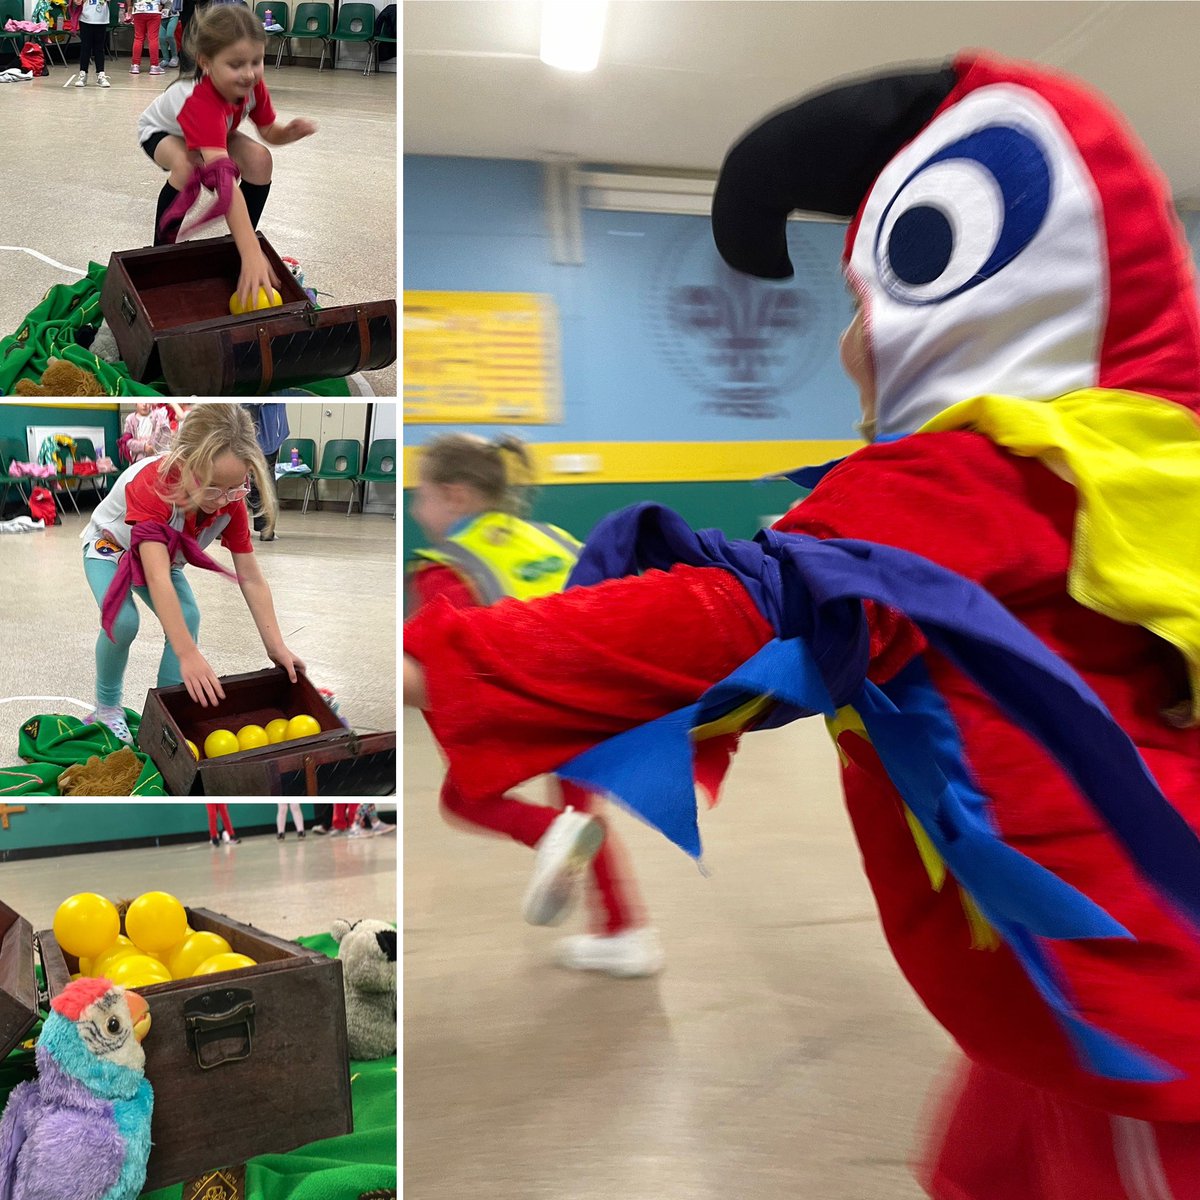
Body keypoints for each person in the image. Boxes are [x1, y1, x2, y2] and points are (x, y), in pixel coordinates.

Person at [404, 53, 1200, 1193]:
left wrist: (449, 663)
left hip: (1134, 995)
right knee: (981, 1160)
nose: (847, 343)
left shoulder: (974, 479)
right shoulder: (1136, 452)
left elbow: (751, 616)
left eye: (890, 294)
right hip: (1050, 963)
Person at [409, 434, 661, 977]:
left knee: (465, 798)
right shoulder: (551, 538)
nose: (416, 507)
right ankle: (625, 933)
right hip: (606, 700)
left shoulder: (446, 566)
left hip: (535, 708)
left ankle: (548, 833)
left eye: (420, 494)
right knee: (580, 816)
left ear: (454, 496)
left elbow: (438, 662)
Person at [79, 402, 306, 746]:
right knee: (123, 622)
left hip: (162, 558)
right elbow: (156, 577)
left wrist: (277, 647)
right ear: (184, 463)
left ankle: (167, 720)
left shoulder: (229, 499)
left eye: (237, 487)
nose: (223, 500)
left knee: (187, 617)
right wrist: (187, 654)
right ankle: (107, 709)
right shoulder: (152, 486)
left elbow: (252, 578)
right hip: (110, 548)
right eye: (212, 487)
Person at [136, 5, 318, 309]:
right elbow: (223, 181)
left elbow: (268, 131)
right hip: (163, 133)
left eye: (257, 61)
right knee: (187, 165)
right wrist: (253, 252)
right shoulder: (199, 101)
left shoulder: (251, 85)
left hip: (216, 131)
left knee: (260, 159)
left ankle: (238, 248)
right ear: (206, 63)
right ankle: (161, 254)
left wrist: (288, 132)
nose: (248, 73)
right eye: (236, 64)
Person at [242, 403, 288, 541]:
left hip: (254, 425)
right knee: (264, 478)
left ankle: (224, 528)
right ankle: (266, 529)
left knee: (239, 478)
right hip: (261, 427)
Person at [73, 0, 110, 87]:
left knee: (99, 48)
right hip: (85, 18)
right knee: (85, 47)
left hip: (101, 18)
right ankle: (83, 74)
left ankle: (100, 74)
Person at [128, 0, 163, 75]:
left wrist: (129, 6)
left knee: (138, 38)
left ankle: (135, 65)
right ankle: (154, 66)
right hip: (154, 10)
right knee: (153, 38)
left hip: (139, 10)